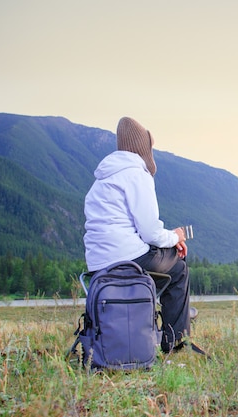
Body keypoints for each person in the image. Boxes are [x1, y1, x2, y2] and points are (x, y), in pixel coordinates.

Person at [83, 116, 204, 355]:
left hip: (98, 270)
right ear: (143, 147)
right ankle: (176, 342)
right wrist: (176, 236)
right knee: (178, 269)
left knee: (167, 265)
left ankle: (168, 318)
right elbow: (150, 233)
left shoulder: (102, 179)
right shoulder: (137, 174)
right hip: (128, 262)